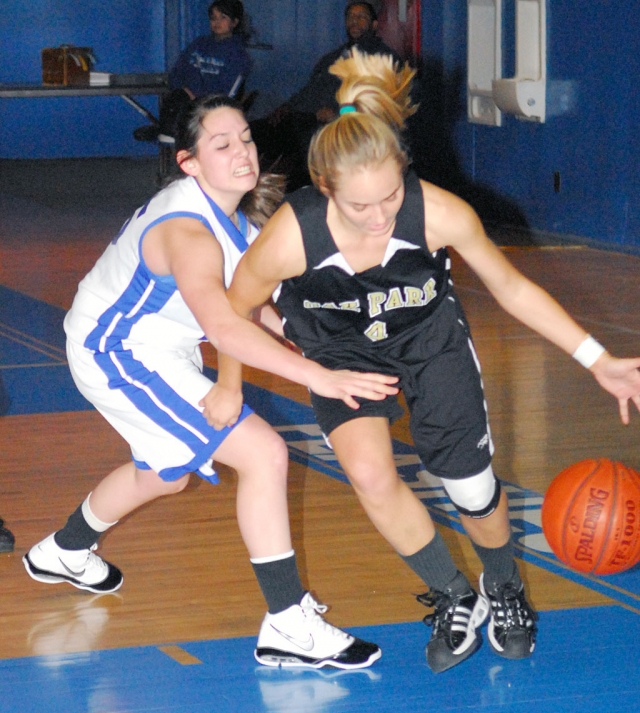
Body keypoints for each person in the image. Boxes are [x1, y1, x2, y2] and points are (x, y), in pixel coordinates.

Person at [224, 50, 640, 674]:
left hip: (428, 340)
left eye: (390, 195)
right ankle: (453, 594)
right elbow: (233, 308)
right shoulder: (290, 234)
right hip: (339, 354)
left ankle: (503, 586)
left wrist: (596, 358)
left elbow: (510, 287)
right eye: (359, 206)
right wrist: (233, 386)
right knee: (369, 474)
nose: (379, 215)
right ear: (326, 189)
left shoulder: (439, 212)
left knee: (470, 488)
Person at [24, 93, 400, 670]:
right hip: (117, 350)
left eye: (245, 137)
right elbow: (225, 325)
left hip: (155, 346)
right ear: (190, 163)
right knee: (265, 454)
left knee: (165, 473)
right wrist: (318, 375)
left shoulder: (237, 218)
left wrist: (315, 339)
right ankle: (287, 622)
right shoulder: (188, 231)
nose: (242, 151)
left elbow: (252, 303)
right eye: (222, 145)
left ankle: (65, 549)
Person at [251, 1, 402, 190]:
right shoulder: (332, 58)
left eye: (361, 17)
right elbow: (309, 90)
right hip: (308, 121)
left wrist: (339, 116)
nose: (354, 21)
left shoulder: (385, 59)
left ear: (374, 25)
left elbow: (383, 106)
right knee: (254, 133)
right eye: (350, 17)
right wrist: (286, 107)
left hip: (348, 131)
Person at [135, 0, 251, 144]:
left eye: (223, 17)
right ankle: (167, 132)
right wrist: (184, 89)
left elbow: (227, 92)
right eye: (213, 18)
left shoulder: (239, 55)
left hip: (212, 104)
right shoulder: (199, 44)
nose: (217, 22)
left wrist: (196, 95)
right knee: (176, 98)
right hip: (186, 97)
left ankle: (165, 132)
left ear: (234, 22)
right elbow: (177, 72)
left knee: (182, 107)